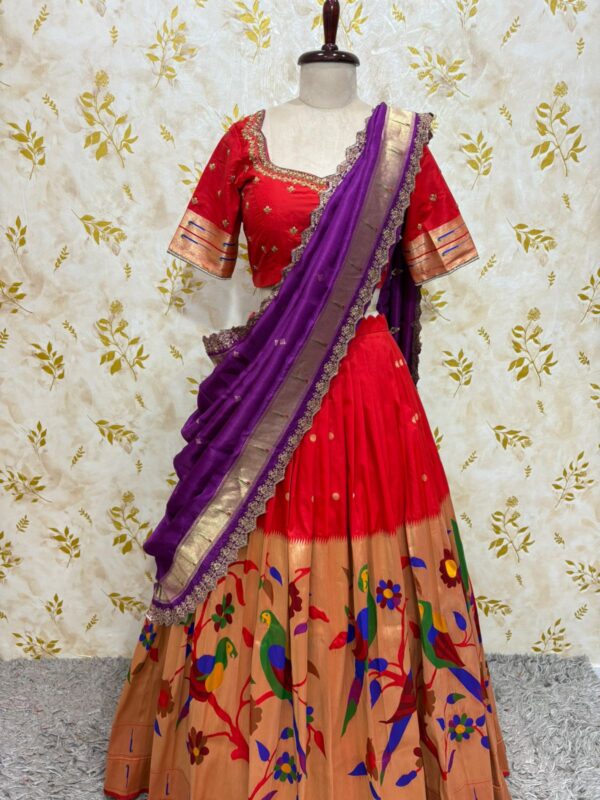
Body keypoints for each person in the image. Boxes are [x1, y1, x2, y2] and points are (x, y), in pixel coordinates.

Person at [103, 85, 512, 799]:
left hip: (371, 391)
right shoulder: (243, 141)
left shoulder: (403, 145)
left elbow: (424, 264)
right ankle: (242, 745)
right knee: (242, 544)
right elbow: (217, 260)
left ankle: (380, 742)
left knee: (379, 550)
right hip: (271, 381)